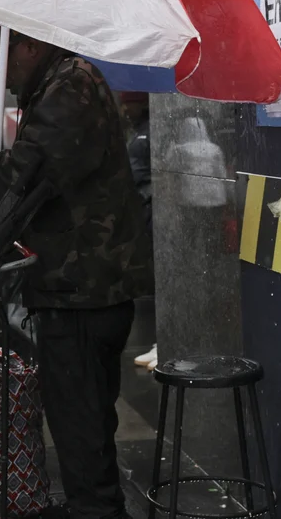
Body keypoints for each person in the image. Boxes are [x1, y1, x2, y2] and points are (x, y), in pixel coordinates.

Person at [0, 25, 152, 519]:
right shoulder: (57, 84)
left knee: (81, 431)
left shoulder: (71, 84)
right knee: (84, 428)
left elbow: (28, 169)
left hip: (83, 291)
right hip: (76, 287)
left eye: (6, 58)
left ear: (31, 45)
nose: (5, 72)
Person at [121, 92, 158, 371]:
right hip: (141, 211)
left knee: (161, 277)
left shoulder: (150, 132)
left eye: (129, 103)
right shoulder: (137, 133)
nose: (125, 109)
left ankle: (166, 341)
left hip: (151, 209)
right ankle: (162, 340)